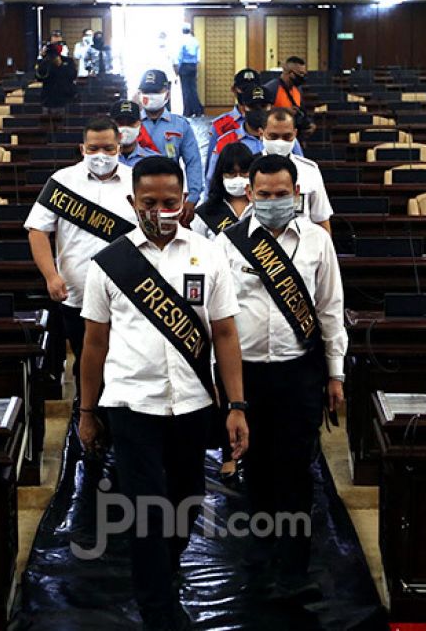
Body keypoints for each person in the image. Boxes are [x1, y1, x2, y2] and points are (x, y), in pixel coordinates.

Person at [79, 156, 249, 631]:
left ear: (185, 203)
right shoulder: (110, 263)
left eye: (169, 202)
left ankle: (165, 569)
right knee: (146, 510)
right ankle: (158, 610)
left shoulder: (208, 253)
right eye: (149, 203)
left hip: (194, 401)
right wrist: (87, 412)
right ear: (132, 203)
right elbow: (94, 344)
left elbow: (226, 334)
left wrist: (236, 405)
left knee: (188, 497)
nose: (159, 211)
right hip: (132, 403)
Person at [214, 153, 346, 603]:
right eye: (264, 194)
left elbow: (330, 310)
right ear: (250, 193)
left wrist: (336, 374)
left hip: (299, 374)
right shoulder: (226, 243)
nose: (272, 201)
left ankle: (293, 567)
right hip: (245, 377)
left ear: (297, 194)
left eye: (281, 194)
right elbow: (217, 317)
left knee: (295, 471)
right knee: (255, 470)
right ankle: (257, 558)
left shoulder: (316, 242)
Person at [24, 117, 137, 409]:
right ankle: (87, 422)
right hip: (78, 296)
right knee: (87, 365)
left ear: (119, 148)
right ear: (82, 148)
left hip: (130, 294)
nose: (101, 155)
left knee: (126, 365)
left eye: (108, 149)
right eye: (94, 148)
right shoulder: (62, 182)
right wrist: (50, 276)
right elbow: (38, 231)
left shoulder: (136, 180)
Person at [193, 141, 255, 486]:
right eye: (230, 173)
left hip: (253, 310)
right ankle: (228, 455)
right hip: (218, 309)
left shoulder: (263, 210)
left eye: (243, 172)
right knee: (223, 389)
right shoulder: (206, 214)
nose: (236, 179)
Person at [137, 69, 204, 225]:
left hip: (170, 194)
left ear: (166, 93)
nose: (151, 96)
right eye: (147, 91)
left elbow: (193, 162)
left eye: (156, 91)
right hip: (139, 192)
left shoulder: (180, 125)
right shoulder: (131, 123)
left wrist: (193, 198)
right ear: (139, 94)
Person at [259, 108, 332, 233]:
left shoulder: (310, 170)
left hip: (303, 246)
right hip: (262, 248)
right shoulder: (248, 169)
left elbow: (321, 219)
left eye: (287, 136)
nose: (280, 142)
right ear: (261, 134)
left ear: (295, 134)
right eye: (273, 136)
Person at [206, 68, 263, 163]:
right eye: (244, 89)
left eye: (253, 89)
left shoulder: (270, 121)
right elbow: (212, 162)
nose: (248, 93)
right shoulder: (220, 125)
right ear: (233, 89)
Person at [263, 57, 314, 136]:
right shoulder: (271, 89)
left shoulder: (298, 89)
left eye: (304, 74)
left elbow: (302, 111)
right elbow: (261, 112)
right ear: (290, 73)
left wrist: (310, 124)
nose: (303, 77)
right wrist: (284, 111)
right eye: (300, 73)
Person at [110, 100, 158, 167]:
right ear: (111, 125)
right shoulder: (104, 159)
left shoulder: (155, 160)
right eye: (120, 123)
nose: (125, 128)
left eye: (130, 123)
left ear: (139, 124)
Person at [35, 43, 78, 114]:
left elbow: (72, 75)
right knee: (46, 121)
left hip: (64, 96)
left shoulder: (67, 61)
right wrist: (43, 62)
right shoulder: (43, 63)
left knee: (65, 121)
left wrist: (60, 66)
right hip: (48, 98)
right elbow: (39, 77)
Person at [175, 24, 203, 118]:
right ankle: (198, 110)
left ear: (182, 30)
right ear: (190, 30)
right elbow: (198, 59)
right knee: (193, 89)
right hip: (193, 66)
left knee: (185, 90)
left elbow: (178, 57)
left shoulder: (181, 41)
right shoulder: (195, 41)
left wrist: (177, 69)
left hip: (184, 66)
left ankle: (187, 111)